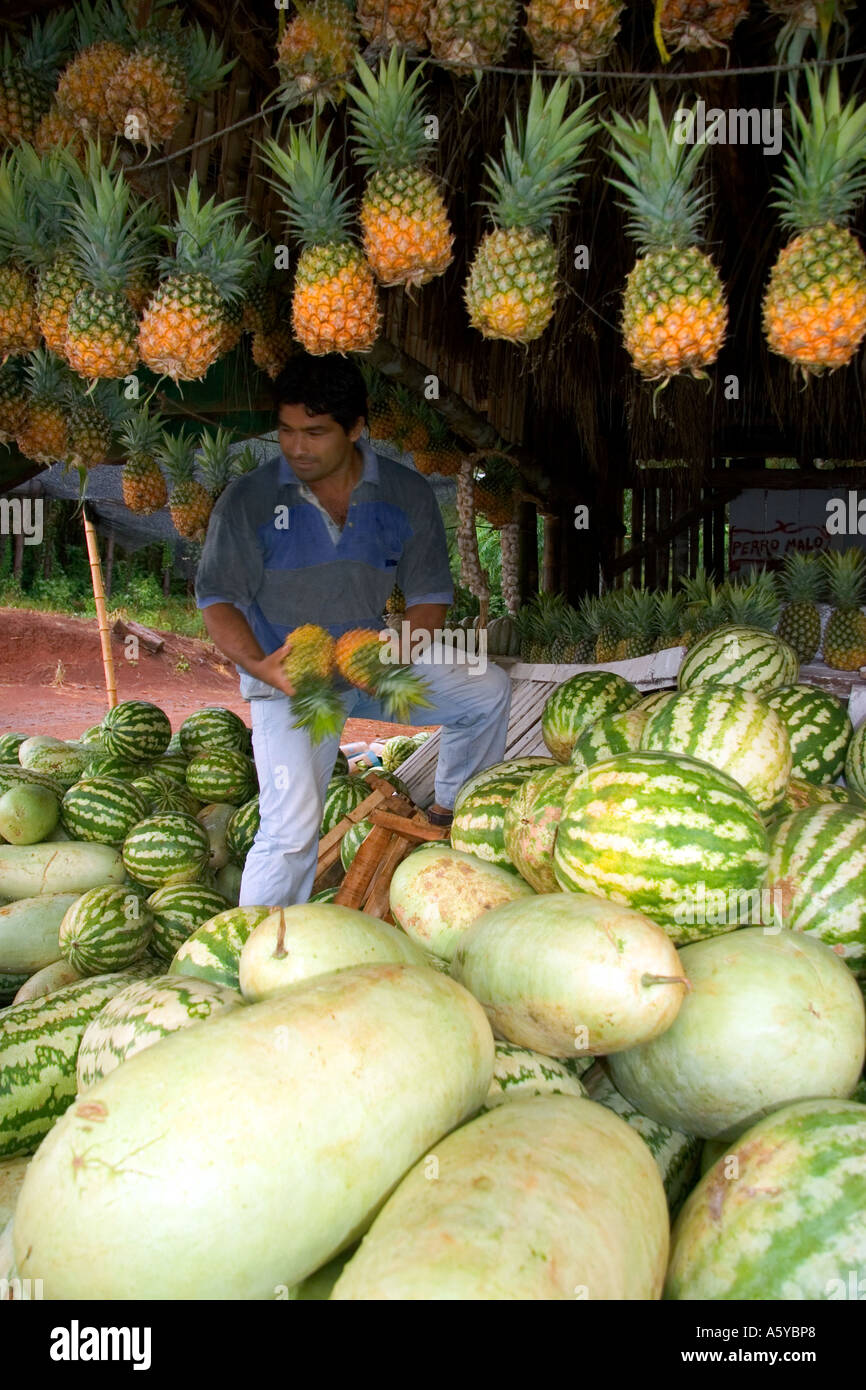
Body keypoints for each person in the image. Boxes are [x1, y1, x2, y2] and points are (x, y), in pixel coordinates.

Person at [195, 352, 512, 907]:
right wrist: (261, 665)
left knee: (485, 689)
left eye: (315, 433)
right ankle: (247, 953)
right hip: (289, 681)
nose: (298, 447)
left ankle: (448, 814)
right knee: (291, 833)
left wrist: (396, 650)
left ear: (357, 430)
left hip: (368, 661)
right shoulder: (249, 499)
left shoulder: (405, 494)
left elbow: (431, 598)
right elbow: (218, 601)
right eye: (287, 431)